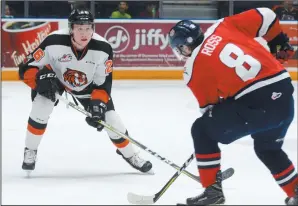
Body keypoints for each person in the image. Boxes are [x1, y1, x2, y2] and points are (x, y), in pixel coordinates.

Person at [168, 7, 297, 205]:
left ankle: (212, 191)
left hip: (258, 105)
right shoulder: (223, 25)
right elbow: (267, 16)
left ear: (184, 48)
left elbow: (210, 110)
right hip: (284, 96)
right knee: (268, 148)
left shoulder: (192, 69)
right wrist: (278, 41)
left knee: (202, 129)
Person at [18, 9, 153, 175]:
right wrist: (39, 81)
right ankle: (30, 150)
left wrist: (97, 105)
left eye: (88, 28)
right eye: (79, 28)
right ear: (71, 29)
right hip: (57, 81)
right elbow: (26, 68)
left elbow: (103, 83)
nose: (84, 33)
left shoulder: (103, 48)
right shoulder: (53, 41)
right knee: (41, 106)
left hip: (88, 88)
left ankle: (131, 155)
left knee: (112, 119)